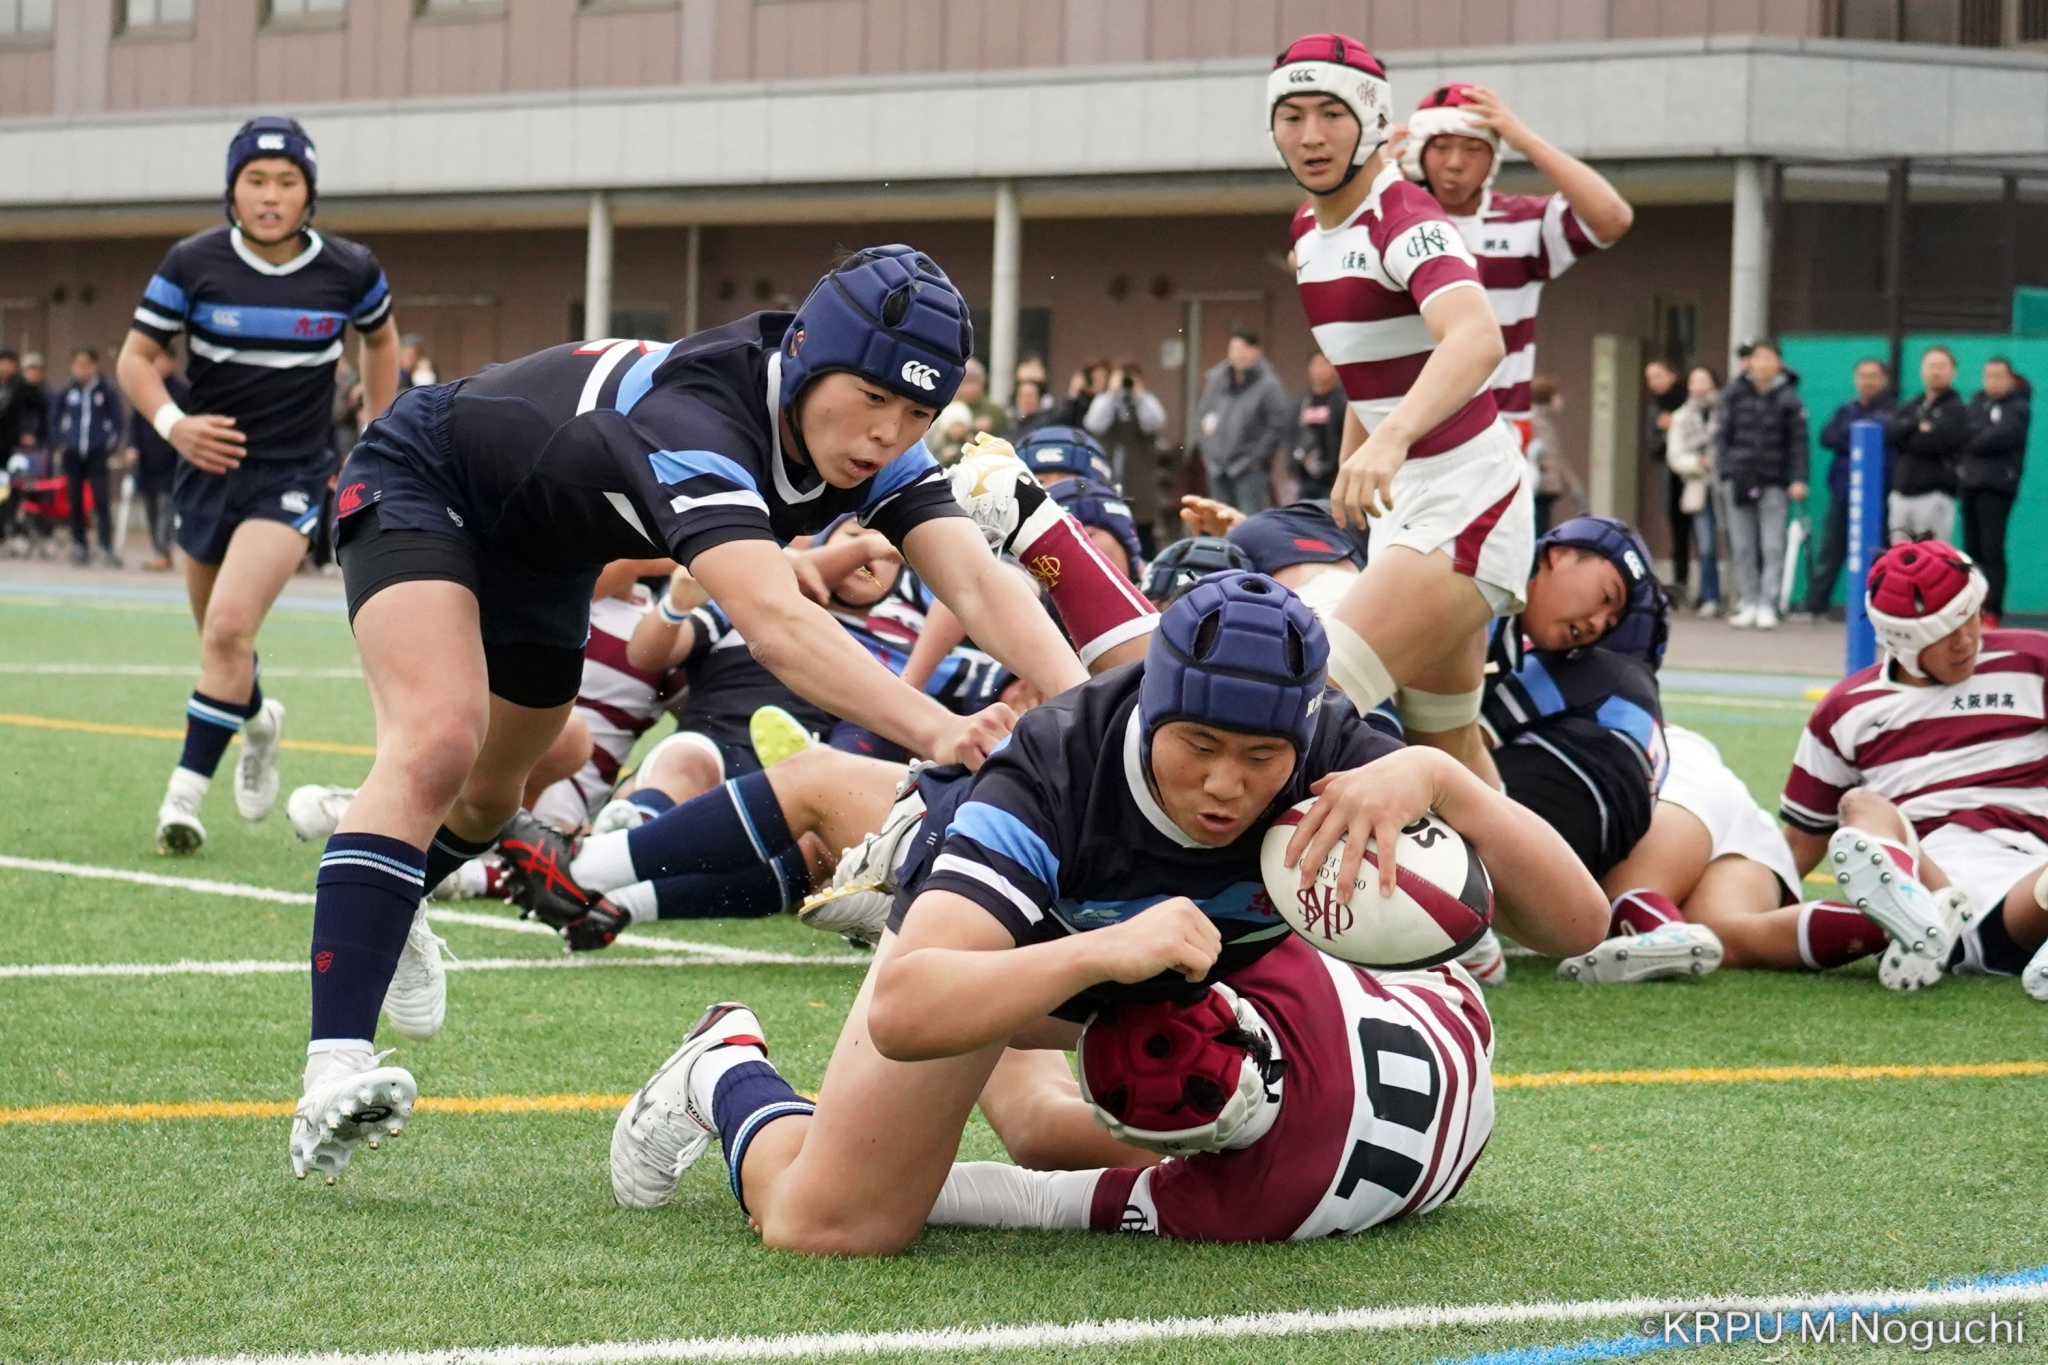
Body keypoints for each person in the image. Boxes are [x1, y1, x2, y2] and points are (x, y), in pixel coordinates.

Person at [285, 246, 1104, 1183]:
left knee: (484, 800)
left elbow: (979, 581)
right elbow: (776, 625)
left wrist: (1091, 715)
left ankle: (394, 900)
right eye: (871, 398)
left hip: (545, 549)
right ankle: (333, 1068)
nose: (887, 432)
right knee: (437, 739)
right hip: (428, 475)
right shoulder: (699, 417)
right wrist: (939, 732)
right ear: (804, 355)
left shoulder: (869, 444)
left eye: (916, 411)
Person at [607, 573, 1608, 1253]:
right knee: (831, 1228)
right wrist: (1104, 951)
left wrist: (1436, 776)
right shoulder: (1053, 765)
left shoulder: (1327, 749)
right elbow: (906, 1012)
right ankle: (727, 1065)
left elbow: (1576, 928)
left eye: (1258, 759)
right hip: (1006, 957)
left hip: (1164, 977)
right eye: (1198, 745)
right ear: (1150, 707)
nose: (1225, 785)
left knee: (1064, 1130)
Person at [119, 116, 401, 856]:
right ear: (232, 190)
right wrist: (175, 423)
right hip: (204, 472)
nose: (271, 195)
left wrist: (377, 432)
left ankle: (182, 798)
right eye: (255, 180)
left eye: (286, 181)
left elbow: (380, 338)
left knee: (228, 630)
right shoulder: (191, 263)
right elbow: (135, 360)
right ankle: (260, 722)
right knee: (221, 641)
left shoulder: (350, 268)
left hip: (294, 475)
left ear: (309, 193)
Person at [1270, 33, 1527, 785]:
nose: (1310, 135)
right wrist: (1364, 453)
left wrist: (1391, 442)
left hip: (1463, 500)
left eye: (1330, 113)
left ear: (1374, 121)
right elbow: (1370, 370)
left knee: (1299, 706)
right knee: (1449, 747)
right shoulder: (1307, 235)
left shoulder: (1405, 217)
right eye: (1290, 114)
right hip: (1407, 509)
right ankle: (1543, 907)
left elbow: (1477, 339)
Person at [927, 932, 1492, 1243]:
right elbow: (1036, 1202)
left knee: (1038, 1126)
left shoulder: (1238, 1207)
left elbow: (1037, 1198)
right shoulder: (1245, 1209)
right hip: (1439, 1000)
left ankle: (932, 932)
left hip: (1447, 1037)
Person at [1779, 541, 2048, 996]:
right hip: (1924, 866)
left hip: (2023, 888)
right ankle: (1918, 911)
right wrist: (1748, 903)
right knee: (1860, 805)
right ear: (1900, 642)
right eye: (1943, 632)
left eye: (1970, 618)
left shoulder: (2034, 661)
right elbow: (1799, 846)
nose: (1965, 640)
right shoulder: (1845, 710)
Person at [1396, 82, 1633, 446]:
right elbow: (1304, 254)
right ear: (1417, 153)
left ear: (1493, 158)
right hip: (1402, 425)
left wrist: (1524, 140)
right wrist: (1367, 183)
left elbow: (1613, 218)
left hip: (1497, 429)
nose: (1455, 163)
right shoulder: (1392, 218)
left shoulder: (1521, 220)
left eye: (1473, 148)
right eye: (1441, 147)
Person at [1714, 341, 1807, 630]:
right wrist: (1726, 470)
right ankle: (1749, 600)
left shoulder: (1790, 399)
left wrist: (1799, 478)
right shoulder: (1733, 394)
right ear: (1749, 363)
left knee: (1772, 545)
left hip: (1774, 480)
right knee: (1741, 546)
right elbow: (1722, 436)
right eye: (1757, 358)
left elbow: (1798, 443)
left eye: (1769, 358)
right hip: (1739, 478)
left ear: (1778, 363)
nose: (1762, 363)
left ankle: (1768, 602)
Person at [1802, 358, 1894, 619]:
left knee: (1880, 555)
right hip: (1842, 492)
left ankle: (1880, 609)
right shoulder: (1846, 409)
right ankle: (1814, 606)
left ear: (1883, 379)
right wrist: (1852, 434)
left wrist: (1852, 435)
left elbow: (1888, 434)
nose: (1868, 381)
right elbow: (1828, 436)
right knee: (1831, 550)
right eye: (1863, 376)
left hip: (1879, 495)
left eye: (1873, 376)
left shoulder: (1892, 410)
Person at [1959, 356, 2030, 626]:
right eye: (1988, 375)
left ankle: (1992, 611)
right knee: (1971, 551)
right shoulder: (1976, 402)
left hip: (1997, 488)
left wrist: (1977, 437)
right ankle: (1971, 607)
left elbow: (2001, 436)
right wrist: (1977, 435)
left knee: (1992, 550)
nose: (1992, 381)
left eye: (1999, 376)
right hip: (1969, 485)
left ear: (2010, 378)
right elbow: (1964, 432)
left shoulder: (2018, 407)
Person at [1193, 329, 1292, 516]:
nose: (1238, 354)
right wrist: (1207, 450)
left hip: (1249, 468)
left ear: (1257, 351)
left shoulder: (1268, 384)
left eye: (1243, 349)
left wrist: (1257, 458)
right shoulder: (1218, 380)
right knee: (1219, 520)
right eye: (1233, 349)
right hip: (1217, 467)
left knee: (1248, 521)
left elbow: (1277, 424)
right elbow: (1203, 414)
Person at [1884, 345, 1967, 546]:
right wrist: (1915, 426)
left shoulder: (1956, 409)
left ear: (1953, 372)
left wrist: (1909, 434)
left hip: (1934, 494)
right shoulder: (1912, 404)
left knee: (1932, 557)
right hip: (1901, 493)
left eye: (1941, 366)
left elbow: (1933, 442)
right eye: (1930, 365)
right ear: (1922, 370)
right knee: (1899, 556)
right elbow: (1891, 433)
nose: (1935, 371)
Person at [51, 347, 125, 565]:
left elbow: (118, 422)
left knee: (101, 500)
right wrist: (62, 443)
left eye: (86, 364)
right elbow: (54, 420)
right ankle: (79, 545)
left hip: (96, 453)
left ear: (95, 366)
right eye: (78, 365)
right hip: (73, 454)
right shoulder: (66, 392)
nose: (82, 370)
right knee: (75, 501)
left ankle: (106, 546)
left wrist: (107, 445)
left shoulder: (106, 391)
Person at [123, 342, 188, 571]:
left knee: (165, 507)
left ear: (172, 362)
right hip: (146, 460)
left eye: (163, 360)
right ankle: (158, 550)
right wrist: (132, 446)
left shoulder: (181, 392)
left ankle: (163, 552)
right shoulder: (146, 389)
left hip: (171, 461)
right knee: (150, 507)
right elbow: (134, 422)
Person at [1666, 364, 1722, 617]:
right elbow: (1675, 456)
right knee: (1706, 545)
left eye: (1705, 380)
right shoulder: (1681, 417)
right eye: (1695, 381)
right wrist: (1698, 463)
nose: (1700, 386)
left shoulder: (1726, 411)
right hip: (1699, 485)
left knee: (1740, 544)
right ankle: (1711, 597)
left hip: (1728, 483)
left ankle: (1746, 598)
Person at [1083, 360, 1167, 510]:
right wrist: (1111, 393)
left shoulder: (1146, 400)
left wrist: (1139, 396)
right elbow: (1093, 424)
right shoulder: (1104, 400)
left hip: (1140, 483)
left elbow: (1155, 423)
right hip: (1107, 480)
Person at [1641, 360, 1690, 597]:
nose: (1654, 382)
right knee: (1675, 526)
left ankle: (1707, 588)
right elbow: (1651, 446)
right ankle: (1682, 580)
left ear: (1673, 375)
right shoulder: (1655, 407)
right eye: (1649, 378)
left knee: (1701, 529)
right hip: (1668, 474)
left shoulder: (1689, 400)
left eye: (1659, 375)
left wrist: (1677, 426)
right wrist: (1664, 431)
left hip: (1693, 475)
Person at [1525, 376, 1578, 536]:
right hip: (1539, 487)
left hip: (1545, 487)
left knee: (1542, 525)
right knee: (1539, 528)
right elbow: (1545, 455)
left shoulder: (1543, 421)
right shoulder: (1537, 422)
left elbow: (1556, 457)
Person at [1290, 352, 1344, 501]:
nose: (1320, 369)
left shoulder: (1342, 400)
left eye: (1324, 364)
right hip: (1305, 474)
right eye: (1316, 364)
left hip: (1332, 475)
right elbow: (1291, 433)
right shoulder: (1302, 400)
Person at [953, 358, 1008, 440]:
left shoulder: (995, 410)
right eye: (966, 383)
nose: (970, 388)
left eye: (974, 381)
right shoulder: (953, 408)